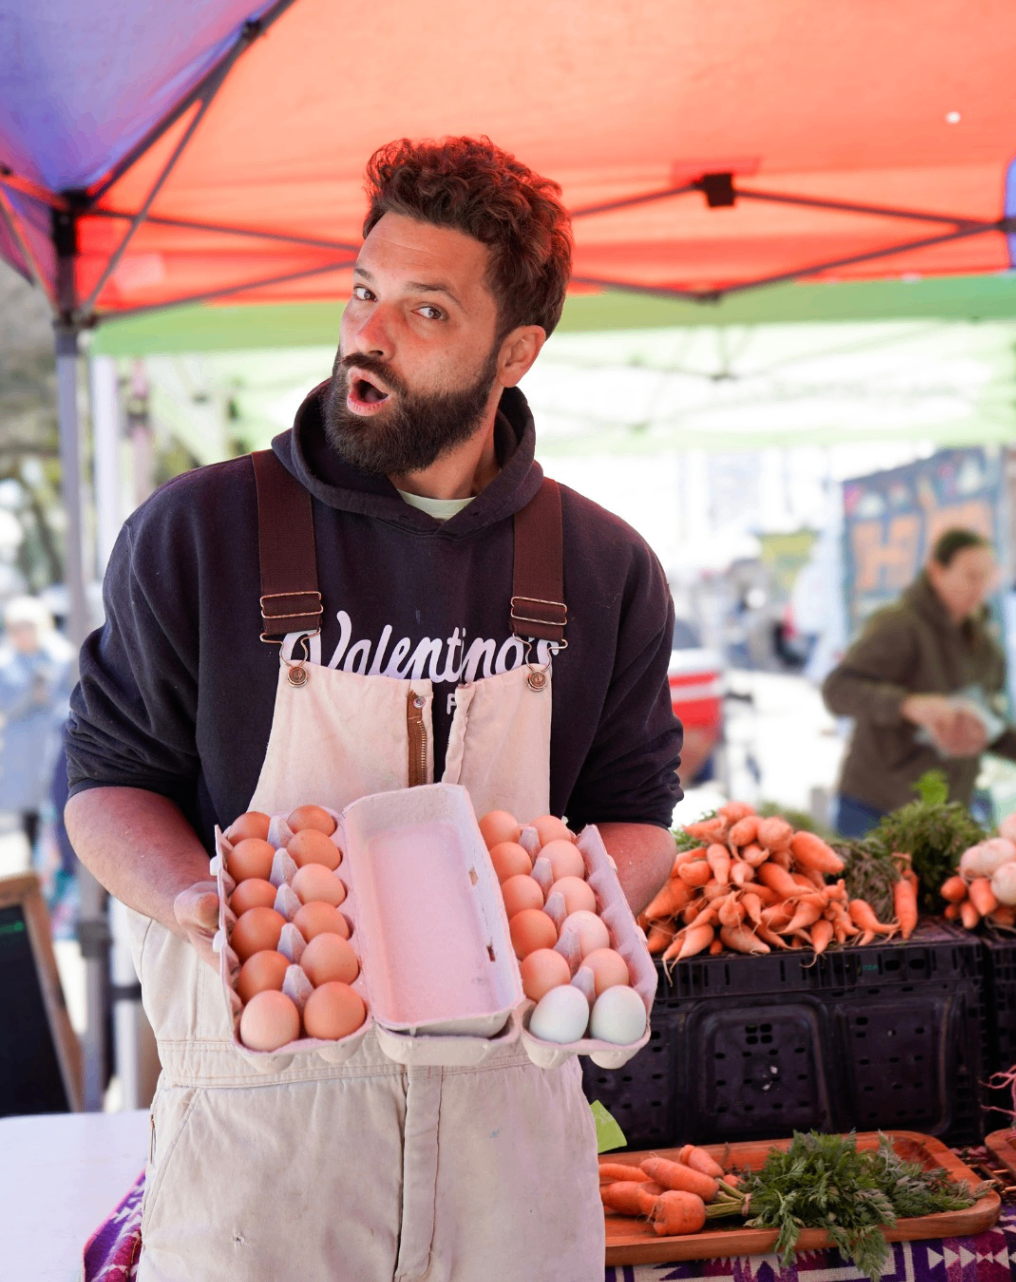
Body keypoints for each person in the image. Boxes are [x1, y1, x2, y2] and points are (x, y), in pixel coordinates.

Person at [64, 136, 682, 1282]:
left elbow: (638, 812)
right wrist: (204, 900)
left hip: (513, 1169)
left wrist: (552, 923)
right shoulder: (201, 535)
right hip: (264, 1159)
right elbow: (104, 784)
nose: (369, 334)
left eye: (426, 312)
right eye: (363, 291)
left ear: (518, 351)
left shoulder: (604, 569)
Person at [822, 527, 1016, 837]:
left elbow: (990, 725)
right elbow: (837, 690)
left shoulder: (984, 646)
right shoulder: (899, 624)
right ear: (936, 572)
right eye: (971, 576)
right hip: (877, 804)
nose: (980, 587)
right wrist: (907, 705)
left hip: (947, 809)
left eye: (986, 577)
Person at [0, 595, 73, 855]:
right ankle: (36, 863)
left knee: (59, 805)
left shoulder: (63, 656)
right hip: (22, 750)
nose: (23, 634)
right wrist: (29, 694)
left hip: (56, 742)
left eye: (28, 626)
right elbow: (6, 705)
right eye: (16, 628)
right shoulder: (5, 663)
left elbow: (72, 699)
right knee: (29, 813)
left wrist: (49, 697)